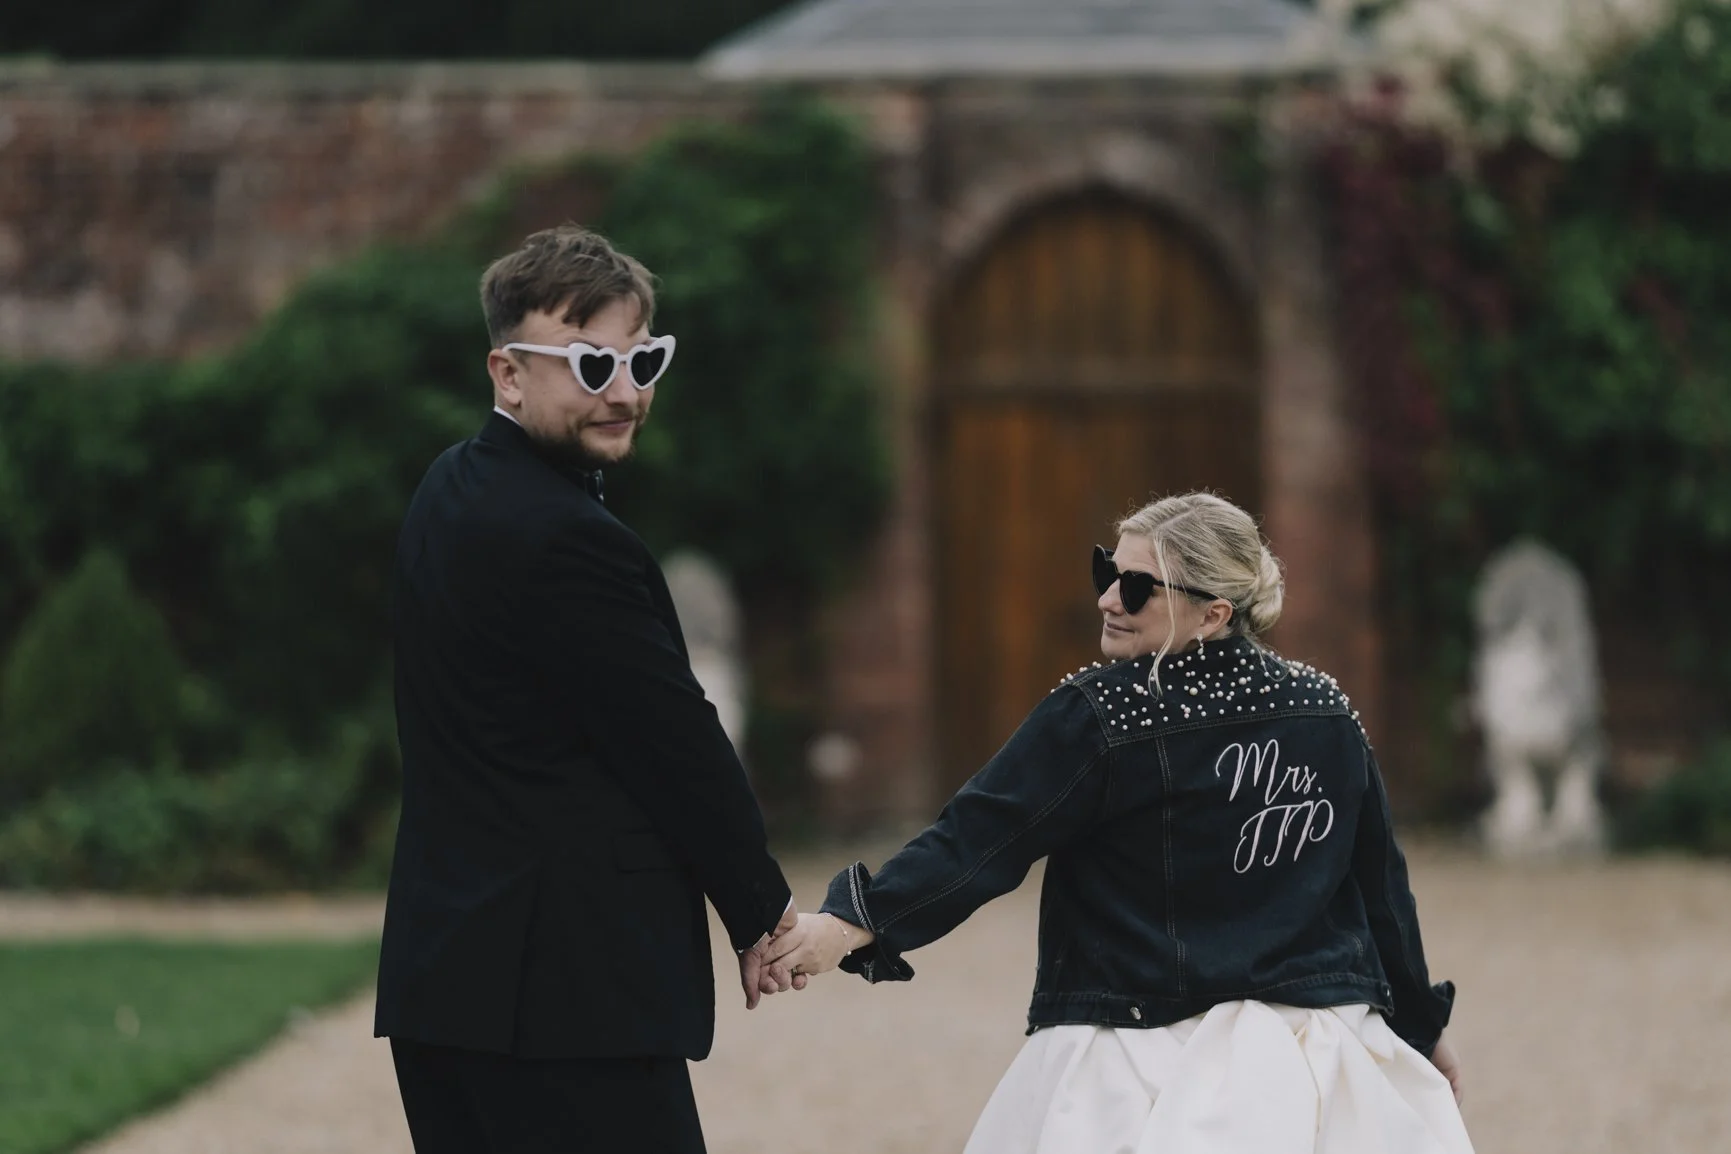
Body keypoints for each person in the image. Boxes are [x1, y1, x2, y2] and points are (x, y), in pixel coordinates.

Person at [769, 491, 1475, 1153]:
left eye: (1137, 587)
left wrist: (847, 925)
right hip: (1320, 1069)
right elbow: (1383, 895)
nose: (1108, 598)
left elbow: (977, 839)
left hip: (1130, 1063)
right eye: (1106, 571)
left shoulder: (1102, 713)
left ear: (1213, 614)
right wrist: (1418, 1027)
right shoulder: (1326, 710)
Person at [375, 225, 799, 1154]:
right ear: (507, 374)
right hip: (564, 999)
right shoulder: (566, 538)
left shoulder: (449, 487)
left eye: (641, 360)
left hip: (445, 984)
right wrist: (760, 910)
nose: (626, 392)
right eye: (590, 365)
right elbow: (671, 741)